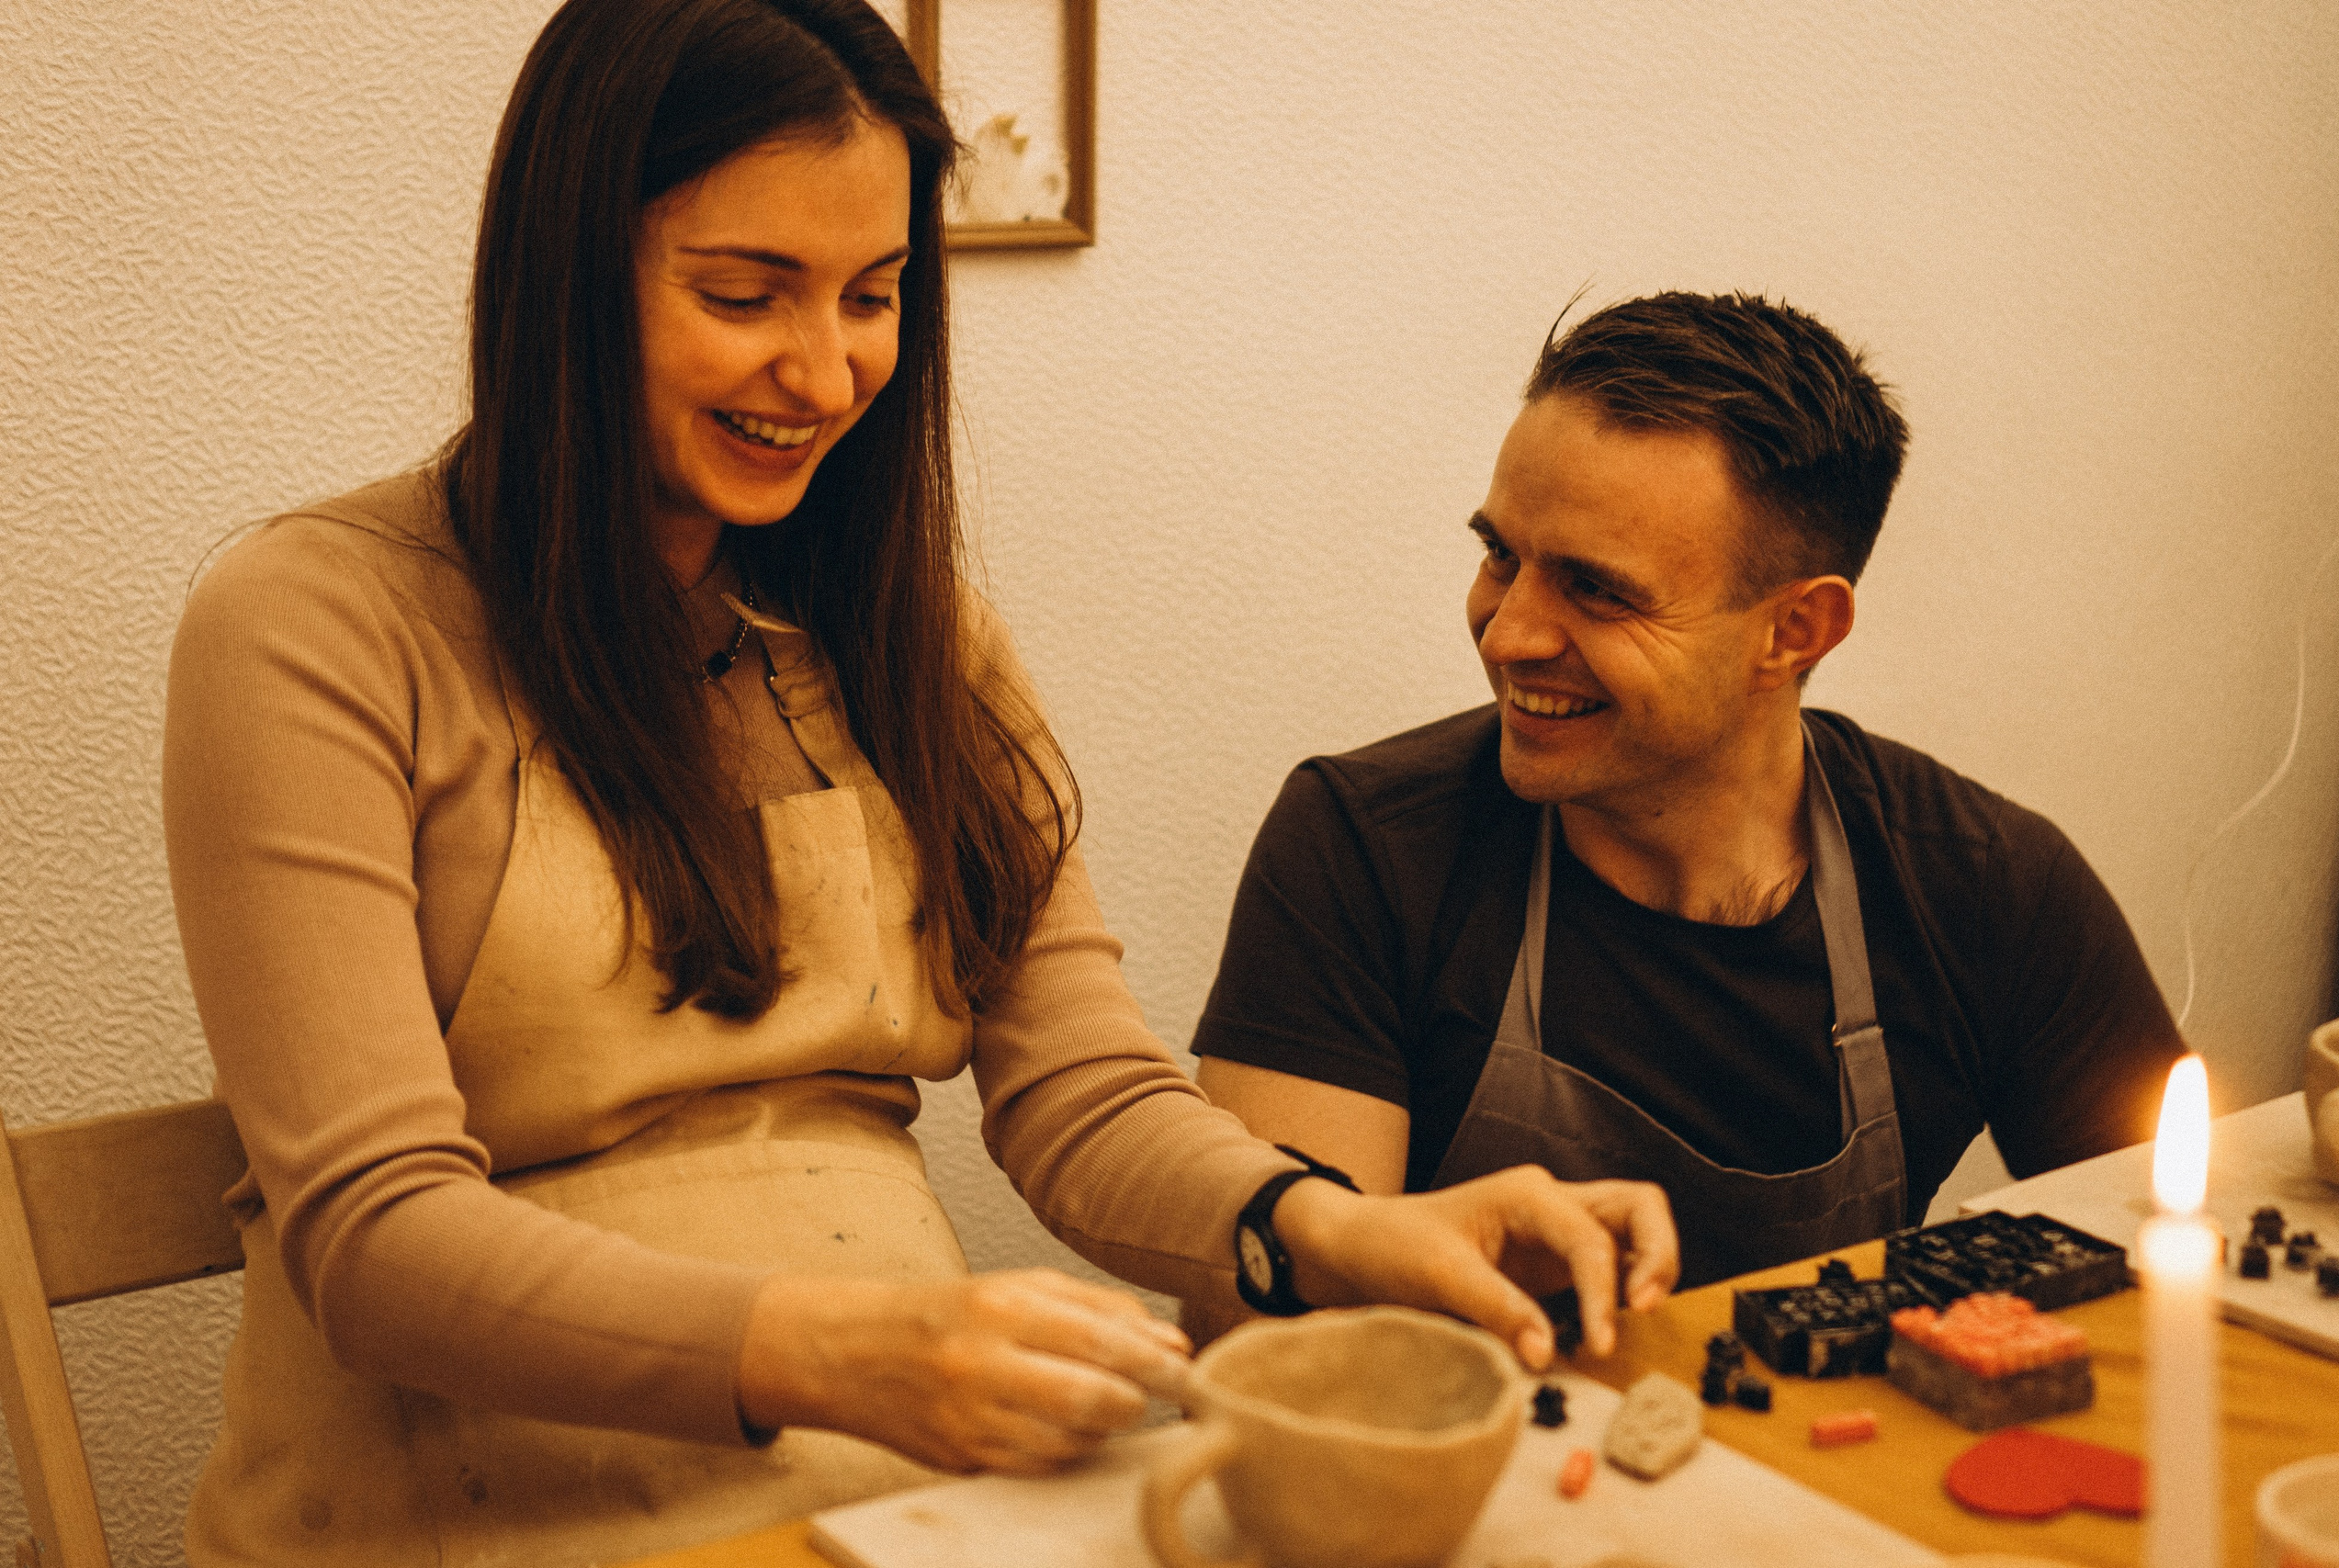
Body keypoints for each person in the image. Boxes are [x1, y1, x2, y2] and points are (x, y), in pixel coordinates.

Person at [161, 3, 1675, 1562]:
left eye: (874, 296)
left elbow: (1081, 1089)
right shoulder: (318, 623)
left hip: (895, 1495)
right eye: (744, 294)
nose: (826, 372)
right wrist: (838, 1351)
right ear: (568, 275)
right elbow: (374, 1236)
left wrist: (1333, 1228)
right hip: (466, 1517)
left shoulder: (910, 628)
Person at [1186, 291, 2184, 1332]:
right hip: (1447, 1438)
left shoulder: (1985, 885)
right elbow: (1252, 1339)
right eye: (1501, 556)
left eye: (1597, 590)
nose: (1508, 634)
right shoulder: (1365, 846)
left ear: (1795, 631)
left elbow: (2178, 1269)